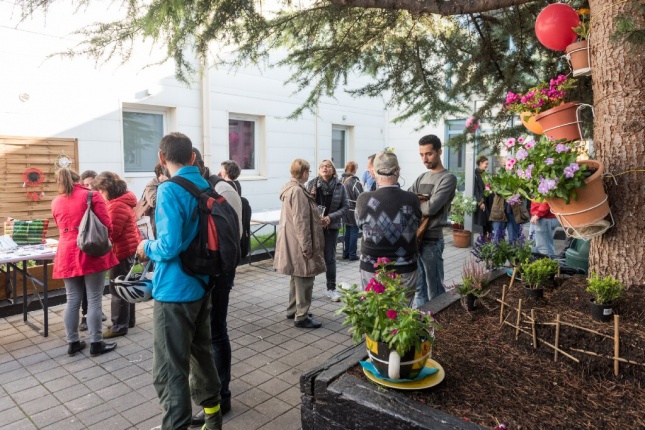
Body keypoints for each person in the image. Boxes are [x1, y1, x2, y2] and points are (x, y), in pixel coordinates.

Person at [136, 132, 223, 430]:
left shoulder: (170, 190)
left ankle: (175, 424)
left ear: (162, 158)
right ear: (193, 158)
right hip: (201, 285)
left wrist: (145, 246)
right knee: (201, 354)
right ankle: (212, 420)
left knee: (169, 368)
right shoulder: (204, 185)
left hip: (174, 291)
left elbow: (169, 246)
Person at [189, 148, 243, 424]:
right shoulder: (201, 187)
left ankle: (223, 397)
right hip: (203, 273)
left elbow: (233, 235)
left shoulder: (223, 189)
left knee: (217, 332)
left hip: (219, 273)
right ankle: (213, 390)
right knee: (207, 334)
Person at [51, 168, 118, 357]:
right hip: (90, 250)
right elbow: (107, 225)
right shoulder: (92, 195)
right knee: (95, 298)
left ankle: (73, 342)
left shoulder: (56, 201)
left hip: (66, 252)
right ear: (77, 180)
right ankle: (96, 342)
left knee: (72, 299)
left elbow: (60, 226)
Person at [355, 152, 421, 303]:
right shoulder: (412, 199)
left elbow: (360, 225)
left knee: (375, 314)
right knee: (401, 315)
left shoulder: (364, 199)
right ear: (398, 170)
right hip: (405, 267)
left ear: (374, 172)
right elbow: (416, 222)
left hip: (372, 268)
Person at [274, 159, 326, 328]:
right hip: (298, 242)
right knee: (305, 277)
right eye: (308, 171)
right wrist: (306, 247)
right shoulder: (297, 191)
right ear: (303, 173)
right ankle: (301, 316)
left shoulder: (292, 188)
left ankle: (292, 310)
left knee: (296, 276)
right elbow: (301, 221)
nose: (308, 174)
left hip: (292, 240)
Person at [408, 135, 457, 307]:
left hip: (432, 240)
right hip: (416, 238)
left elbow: (431, 208)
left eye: (428, 154)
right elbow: (408, 200)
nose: (424, 159)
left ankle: (439, 327)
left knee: (435, 288)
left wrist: (418, 202)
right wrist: (422, 201)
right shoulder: (422, 177)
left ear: (439, 152)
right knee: (419, 288)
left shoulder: (447, 178)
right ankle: (423, 323)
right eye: (421, 154)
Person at [92, 171, 141, 338]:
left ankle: (119, 326)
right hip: (130, 250)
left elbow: (112, 232)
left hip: (122, 252)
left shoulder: (116, 205)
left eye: (100, 190)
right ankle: (129, 321)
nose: (100, 194)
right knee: (128, 286)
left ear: (108, 189)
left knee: (118, 289)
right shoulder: (123, 200)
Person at [306, 159, 348, 302]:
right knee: (311, 256)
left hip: (332, 227)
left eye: (328, 166)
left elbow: (345, 207)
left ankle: (331, 289)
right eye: (322, 166)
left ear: (333, 170)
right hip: (315, 226)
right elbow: (305, 205)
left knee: (329, 258)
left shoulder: (339, 186)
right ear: (319, 170)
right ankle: (307, 289)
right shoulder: (311, 184)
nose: (325, 168)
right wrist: (316, 219)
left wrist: (330, 217)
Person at [78, 170, 106, 331]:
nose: (89, 187)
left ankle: (95, 313)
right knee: (84, 285)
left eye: (92, 184)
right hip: (85, 245)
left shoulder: (99, 198)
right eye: (86, 184)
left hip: (97, 246)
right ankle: (85, 316)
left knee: (95, 287)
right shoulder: (83, 199)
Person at [134, 163, 168, 238]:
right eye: (167, 173)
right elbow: (153, 202)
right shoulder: (152, 185)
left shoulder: (166, 184)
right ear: (160, 173)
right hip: (153, 219)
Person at [340, 161, 363, 261]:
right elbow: (361, 197)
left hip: (344, 209)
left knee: (348, 231)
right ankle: (352, 254)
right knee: (354, 231)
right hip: (353, 210)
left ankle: (346, 253)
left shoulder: (341, 180)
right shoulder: (355, 182)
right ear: (354, 169)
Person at [473, 155, 493, 237]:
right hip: (482, 200)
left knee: (487, 219)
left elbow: (487, 186)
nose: (487, 165)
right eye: (486, 163)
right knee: (485, 219)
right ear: (480, 163)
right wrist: (480, 202)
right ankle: (486, 237)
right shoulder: (475, 174)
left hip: (488, 200)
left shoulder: (485, 174)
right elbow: (476, 189)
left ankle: (487, 237)